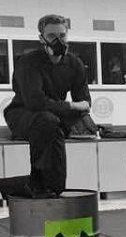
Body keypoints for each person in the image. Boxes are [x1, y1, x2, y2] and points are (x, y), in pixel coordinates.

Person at [1, 14, 92, 198]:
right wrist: (72, 106)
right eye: (52, 36)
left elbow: (85, 102)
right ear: (41, 38)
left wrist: (77, 113)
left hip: (53, 118)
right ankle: (43, 187)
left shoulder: (74, 63)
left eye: (62, 35)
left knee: (54, 126)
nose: (58, 40)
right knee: (47, 121)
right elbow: (35, 102)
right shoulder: (27, 62)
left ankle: (38, 186)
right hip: (21, 113)